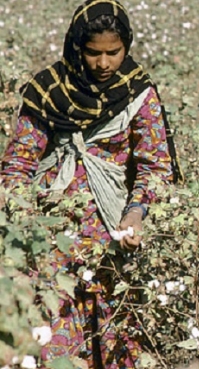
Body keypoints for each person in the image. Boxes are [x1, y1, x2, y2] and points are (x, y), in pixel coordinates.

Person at [0, 0, 179, 366]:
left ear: (127, 46)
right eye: (93, 53)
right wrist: (27, 224)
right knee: (54, 344)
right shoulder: (48, 90)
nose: (103, 63)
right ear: (76, 47)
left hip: (116, 238)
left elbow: (155, 164)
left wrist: (137, 212)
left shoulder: (138, 92)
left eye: (113, 52)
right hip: (53, 244)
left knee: (119, 343)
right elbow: (17, 166)